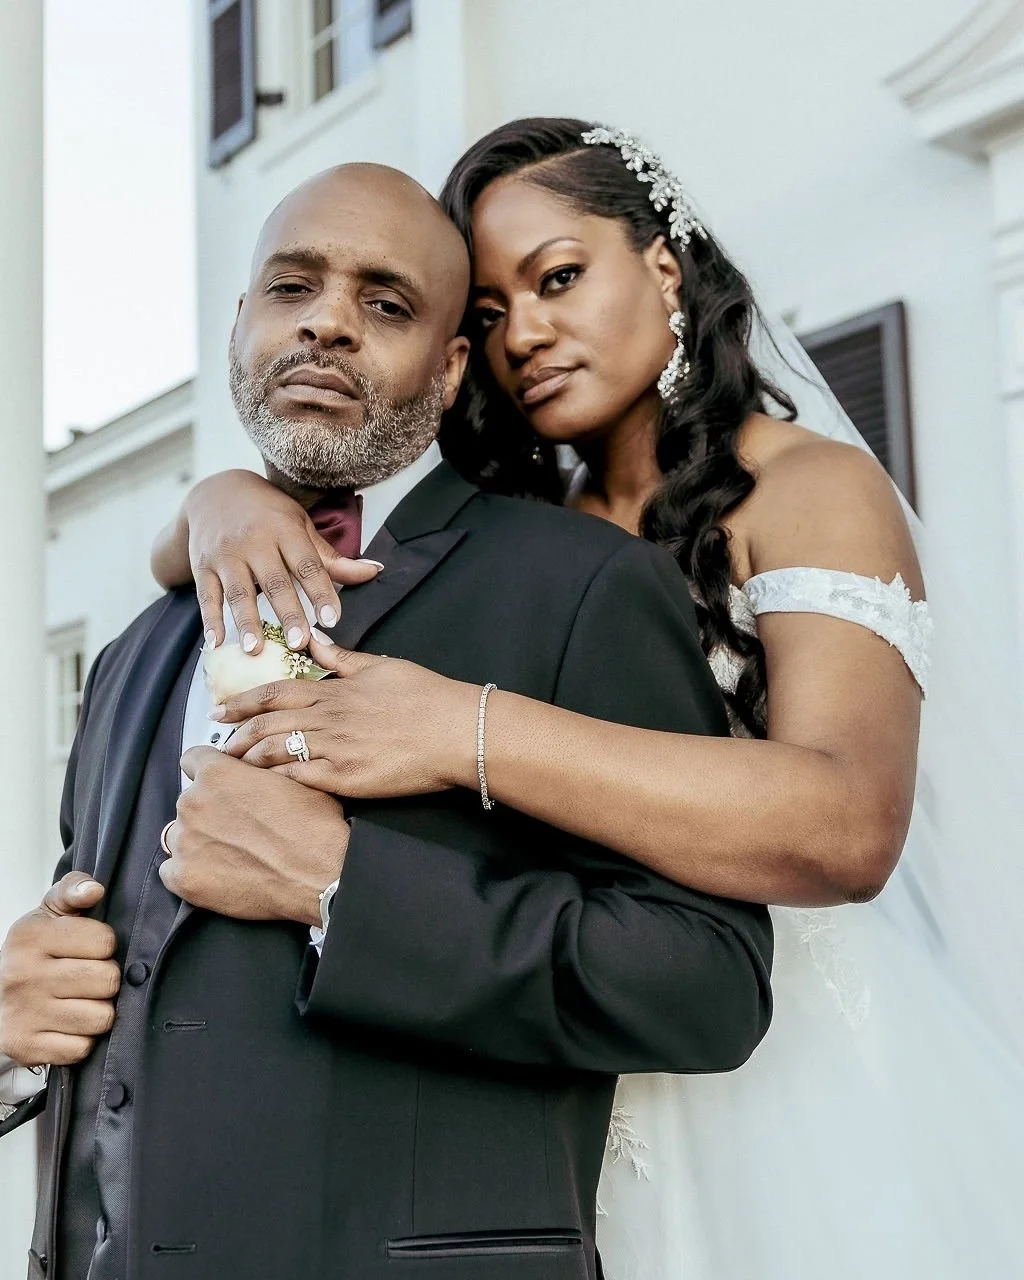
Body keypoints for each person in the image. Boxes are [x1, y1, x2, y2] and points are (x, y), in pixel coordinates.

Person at [147, 119, 1024, 1278]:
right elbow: (202, 550)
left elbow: (850, 822)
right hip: (534, 1052)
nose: (531, 335)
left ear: (664, 265)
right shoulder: (529, 528)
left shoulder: (803, 482)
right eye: (495, 315)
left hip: (779, 1066)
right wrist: (218, 497)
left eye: (559, 277)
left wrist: (460, 729)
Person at [0, 162, 773, 1280]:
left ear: (452, 364)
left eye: (387, 302)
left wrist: (339, 886)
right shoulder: (136, 645)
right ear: (241, 323)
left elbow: (707, 986)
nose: (326, 320)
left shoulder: (580, 584)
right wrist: (18, 1031)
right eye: (291, 287)